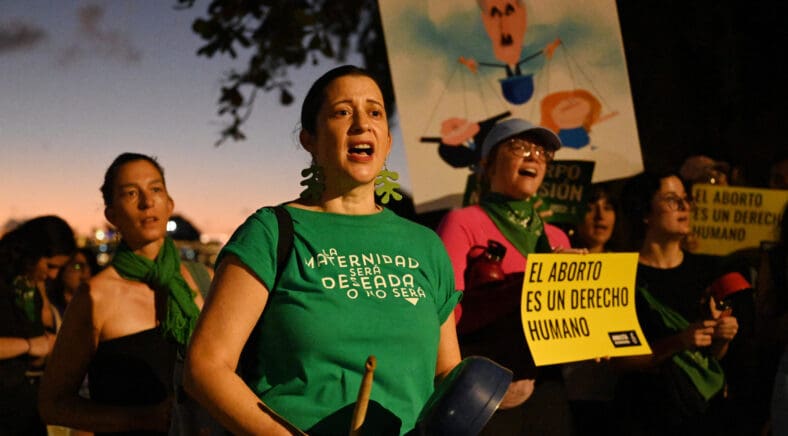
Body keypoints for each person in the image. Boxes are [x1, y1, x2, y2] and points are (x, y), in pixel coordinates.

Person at [183, 65, 462, 435]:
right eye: (342, 112)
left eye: (375, 112)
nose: (362, 124)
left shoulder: (425, 244)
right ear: (309, 139)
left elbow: (446, 373)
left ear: (387, 140)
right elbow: (206, 366)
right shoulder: (271, 232)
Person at [39, 152, 215, 435]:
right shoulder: (96, 296)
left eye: (155, 189)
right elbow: (53, 404)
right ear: (112, 215)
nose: (147, 202)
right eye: (131, 193)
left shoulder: (204, 278)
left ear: (169, 203)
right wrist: (144, 419)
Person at [436, 117, 575, 435]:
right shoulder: (463, 222)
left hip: (546, 389)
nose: (533, 157)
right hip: (483, 388)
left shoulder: (557, 238)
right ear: (487, 163)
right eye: (519, 147)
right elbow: (445, 311)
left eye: (542, 153)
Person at [612, 171, 739, 435]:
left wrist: (722, 338)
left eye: (685, 198)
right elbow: (618, 360)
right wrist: (678, 341)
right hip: (644, 413)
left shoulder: (706, 270)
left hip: (701, 415)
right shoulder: (620, 274)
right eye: (671, 199)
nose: (684, 206)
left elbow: (711, 357)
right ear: (645, 213)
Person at [0, 215, 76, 435]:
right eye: (50, 265)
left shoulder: (28, 285)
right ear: (32, 251)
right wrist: (30, 345)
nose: (53, 274)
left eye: (59, 269)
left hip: (25, 406)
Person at [560, 182, 620, 435]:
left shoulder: (625, 269)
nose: (600, 215)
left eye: (608, 207)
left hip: (614, 394)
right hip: (564, 392)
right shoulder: (558, 263)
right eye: (590, 207)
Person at [49, 247, 99, 317]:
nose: (85, 275)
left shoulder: (97, 309)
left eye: (90, 267)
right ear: (62, 268)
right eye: (77, 266)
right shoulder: (50, 310)